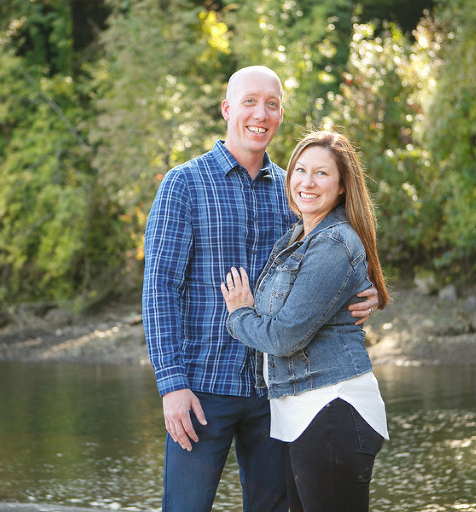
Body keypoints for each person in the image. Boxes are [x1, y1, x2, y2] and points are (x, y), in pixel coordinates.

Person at [142, 67, 379, 512]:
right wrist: (171, 384)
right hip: (201, 390)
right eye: (249, 101)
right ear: (228, 109)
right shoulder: (184, 184)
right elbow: (159, 291)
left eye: (271, 104)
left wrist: (364, 293)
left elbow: (327, 263)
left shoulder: (294, 191)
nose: (261, 113)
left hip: (276, 392)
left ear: (280, 115)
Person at [220, 130, 390, 512]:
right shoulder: (297, 237)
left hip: (332, 409)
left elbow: (283, 337)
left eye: (322, 174)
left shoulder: (333, 243)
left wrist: (240, 314)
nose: (307, 182)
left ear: (344, 185)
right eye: (299, 170)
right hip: (303, 416)